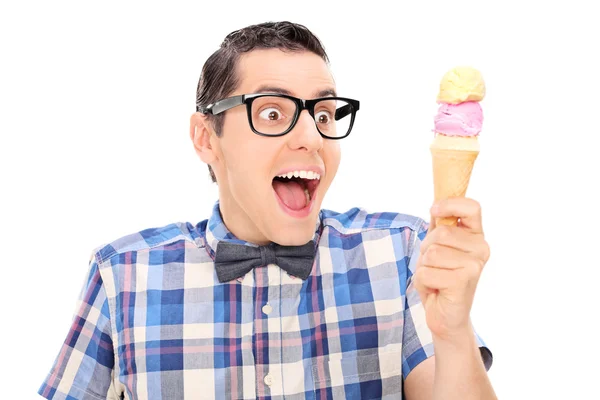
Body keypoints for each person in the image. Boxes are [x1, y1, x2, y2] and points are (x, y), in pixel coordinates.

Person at [38, 21, 496, 400]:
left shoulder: (403, 255)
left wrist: (453, 333)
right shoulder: (122, 274)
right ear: (205, 138)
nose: (313, 138)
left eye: (322, 114)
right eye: (273, 113)